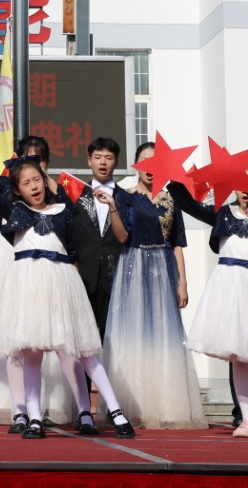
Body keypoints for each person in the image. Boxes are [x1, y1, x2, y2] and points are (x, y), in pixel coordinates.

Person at [0, 159, 135, 440]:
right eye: (26, 183)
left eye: (37, 180)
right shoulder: (14, 210)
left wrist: (36, 175)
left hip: (61, 285)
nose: (34, 186)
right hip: (28, 289)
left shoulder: (64, 212)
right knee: (31, 353)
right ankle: (34, 418)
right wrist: (16, 173)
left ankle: (115, 410)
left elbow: (74, 250)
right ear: (16, 189)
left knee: (84, 351)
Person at [169, 156, 248, 437]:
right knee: (238, 355)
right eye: (240, 183)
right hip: (230, 288)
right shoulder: (223, 212)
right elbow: (190, 204)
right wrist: (172, 176)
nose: (245, 190)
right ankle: (247, 418)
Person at [97, 142, 206, 430]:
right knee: (133, 332)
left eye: (155, 161)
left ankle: (165, 404)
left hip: (162, 268)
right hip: (133, 265)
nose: (150, 167)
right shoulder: (125, 196)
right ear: (136, 165)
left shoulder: (171, 199)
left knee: (164, 333)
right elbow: (122, 237)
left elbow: (178, 243)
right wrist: (113, 209)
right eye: (145, 161)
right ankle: (133, 406)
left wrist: (183, 282)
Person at [75, 138, 125, 338]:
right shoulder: (76, 195)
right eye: (97, 157)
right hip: (83, 275)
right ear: (89, 161)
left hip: (116, 275)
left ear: (116, 162)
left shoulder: (125, 198)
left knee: (113, 336)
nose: (103, 162)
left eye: (108, 158)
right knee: (83, 336)